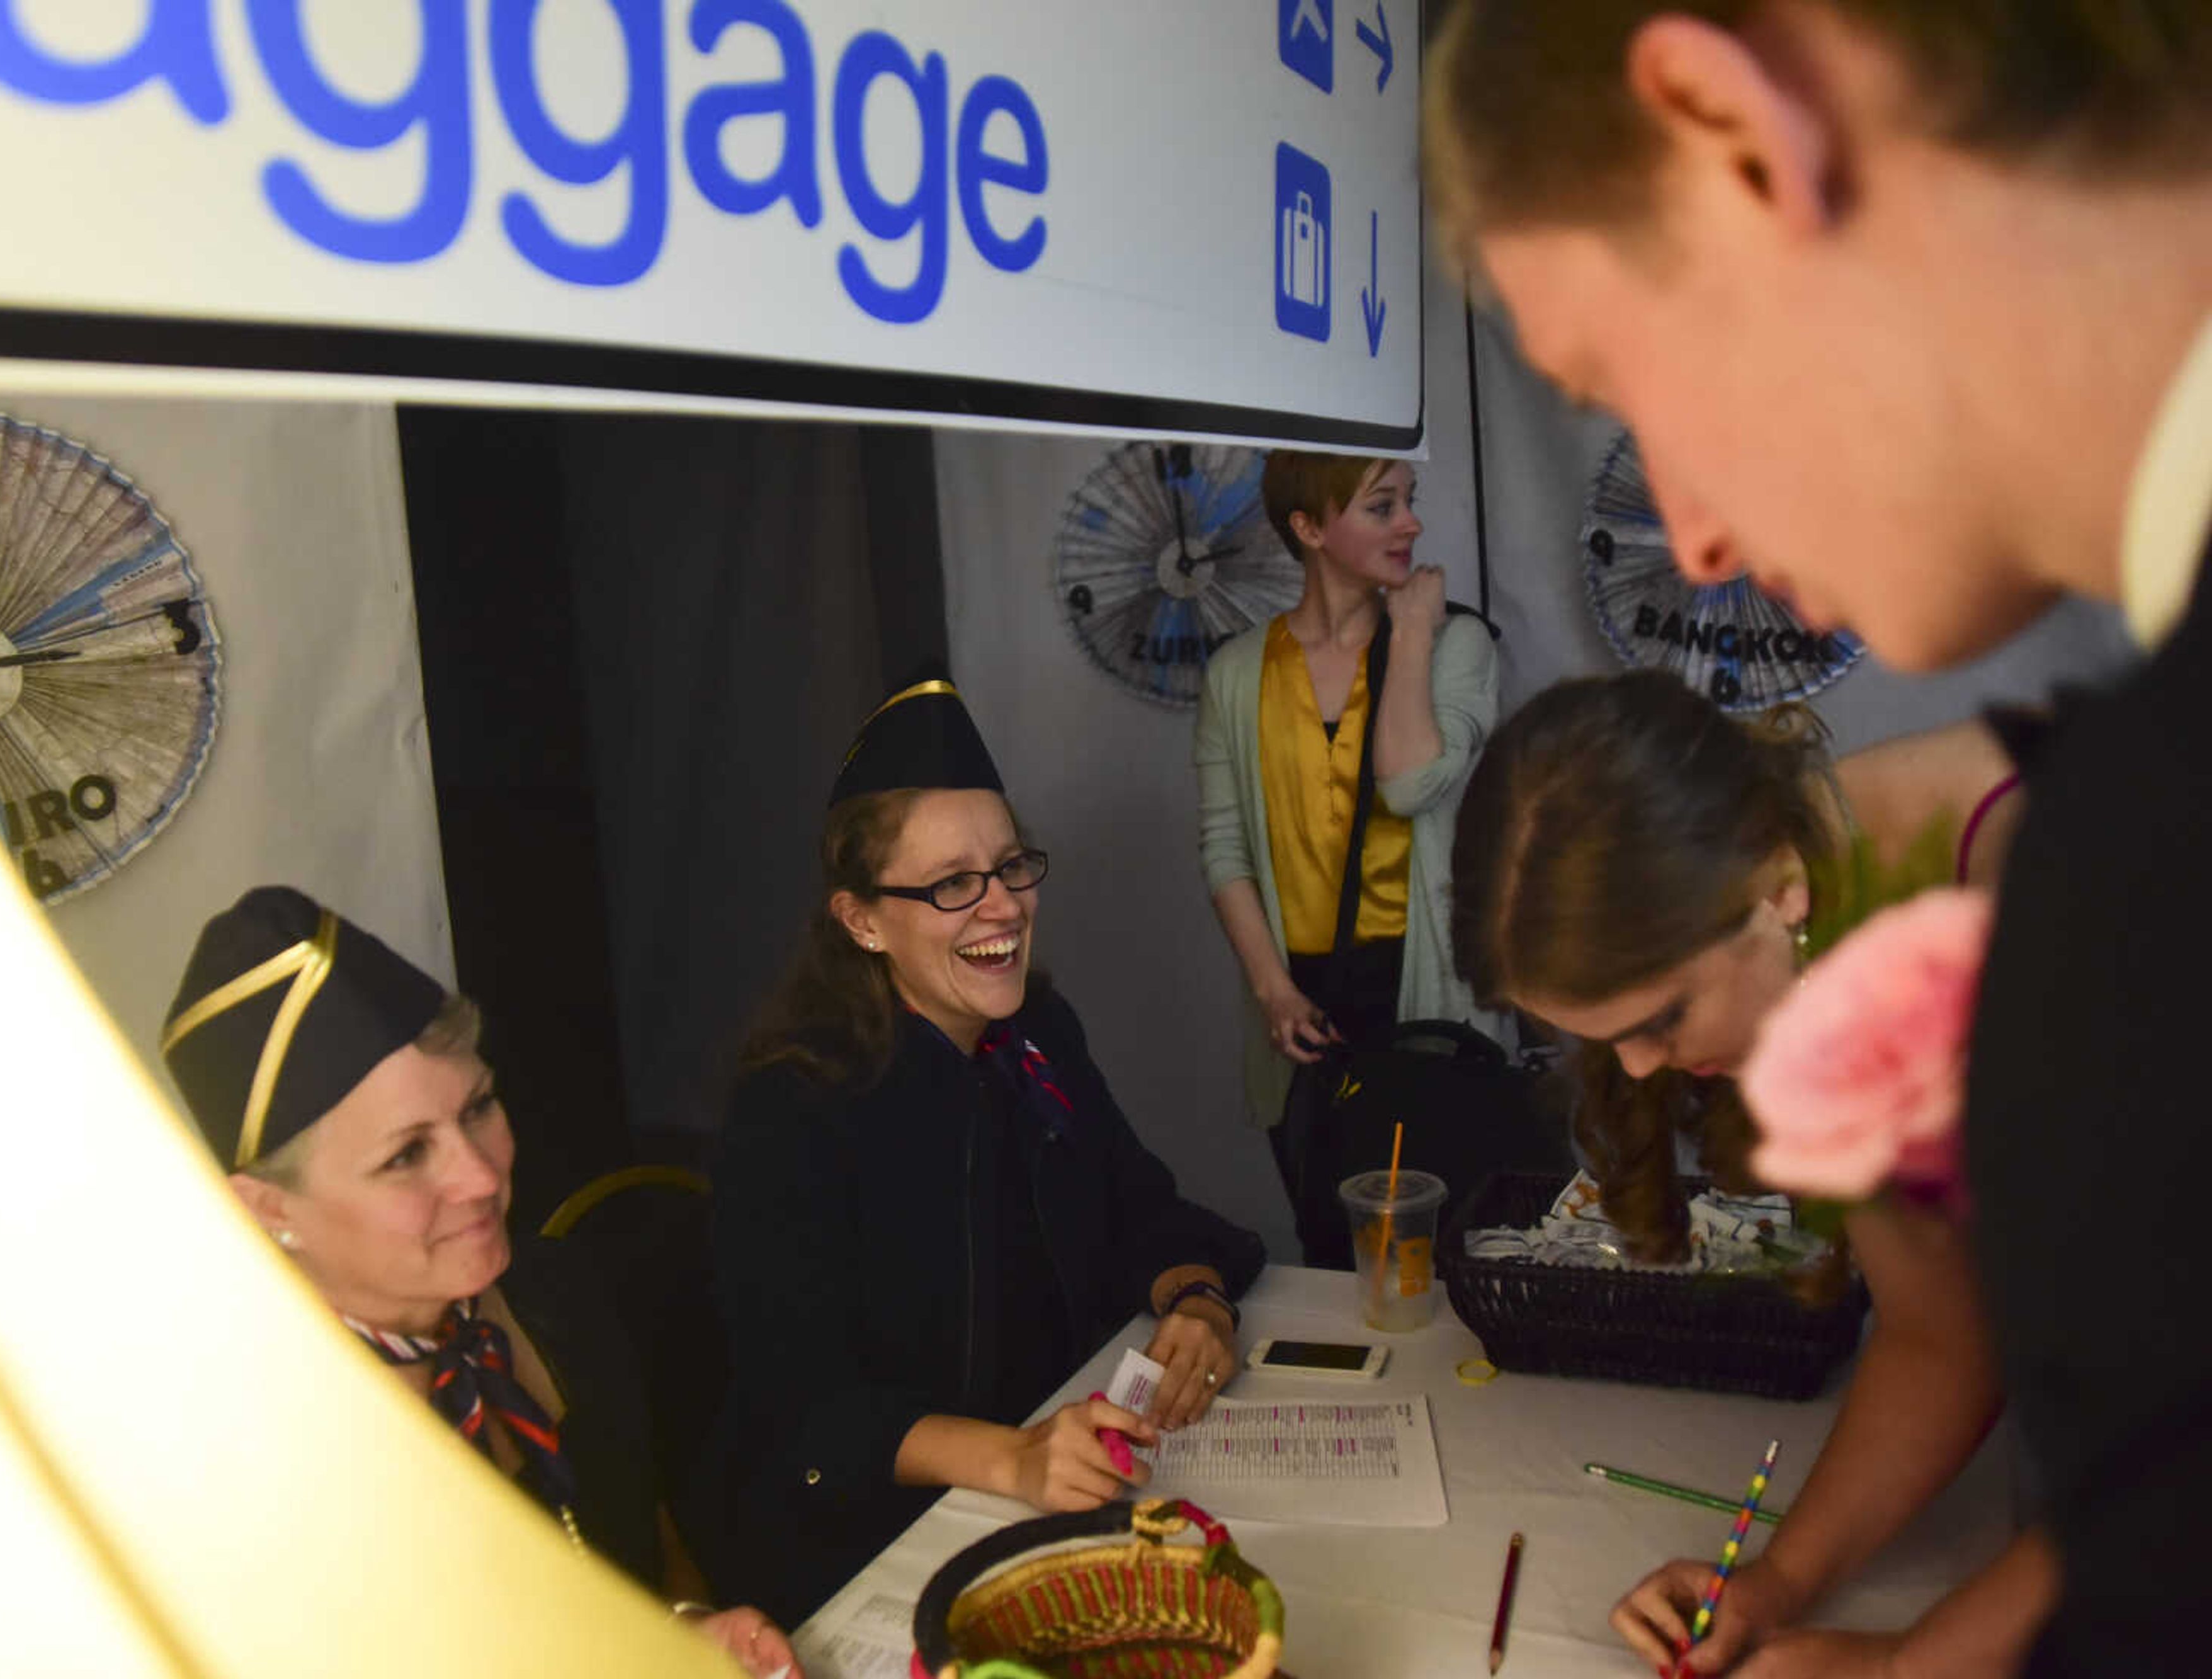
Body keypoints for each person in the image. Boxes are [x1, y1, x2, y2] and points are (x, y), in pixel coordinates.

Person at [1426, 3, 2211, 1671]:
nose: (1695, 533)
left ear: (1725, 129)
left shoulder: (2118, 862)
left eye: (1620, 379)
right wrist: (1789, 1591)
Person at [1452, 669, 2031, 1675]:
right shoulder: (1807, 917)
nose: (1638, 1069)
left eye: (1661, 1020)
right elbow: (1942, 1333)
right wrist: (1776, 1583)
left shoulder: (2071, 886)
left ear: (1777, 892)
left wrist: (1904, 1662)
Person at [700, 673, 1268, 1625]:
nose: (1001, 906)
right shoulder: (792, 1108)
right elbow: (805, 1410)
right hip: (863, 1542)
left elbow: (1137, 1203)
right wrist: (1013, 1456)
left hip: (1047, 1486)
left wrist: (1198, 1300)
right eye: (953, 883)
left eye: (1010, 867)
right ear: (863, 920)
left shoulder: (1037, 1031)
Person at [161, 887, 799, 1678]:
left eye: (479, 1108)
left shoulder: (548, 1293)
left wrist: (688, 1628)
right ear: (267, 1209)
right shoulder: (254, 1475)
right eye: (405, 1155)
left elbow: (653, 1540)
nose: (481, 1175)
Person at [1195, 451, 1506, 1258]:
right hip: (1303, 1013)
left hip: (1425, 994)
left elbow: (1409, 784)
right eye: (1381, 505)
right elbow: (1224, 846)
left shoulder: (1455, 642)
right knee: (1333, 1254)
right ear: (1308, 528)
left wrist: (1408, 632)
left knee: (1447, 1256)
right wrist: (1272, 992)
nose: (1412, 522)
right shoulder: (1237, 673)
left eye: (1410, 500)